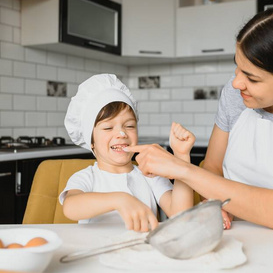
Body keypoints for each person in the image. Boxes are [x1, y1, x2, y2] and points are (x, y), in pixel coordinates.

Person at [124, 6, 273, 230]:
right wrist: (213, 202)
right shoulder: (236, 94)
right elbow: (213, 166)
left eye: (252, 78)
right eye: (237, 68)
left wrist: (181, 169)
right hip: (234, 232)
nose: (237, 83)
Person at [59, 74, 194, 232]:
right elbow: (71, 207)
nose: (122, 134)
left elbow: (181, 215)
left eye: (129, 126)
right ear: (92, 142)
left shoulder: (150, 175)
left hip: (141, 253)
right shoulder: (86, 177)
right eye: (109, 128)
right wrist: (120, 199)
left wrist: (182, 157)